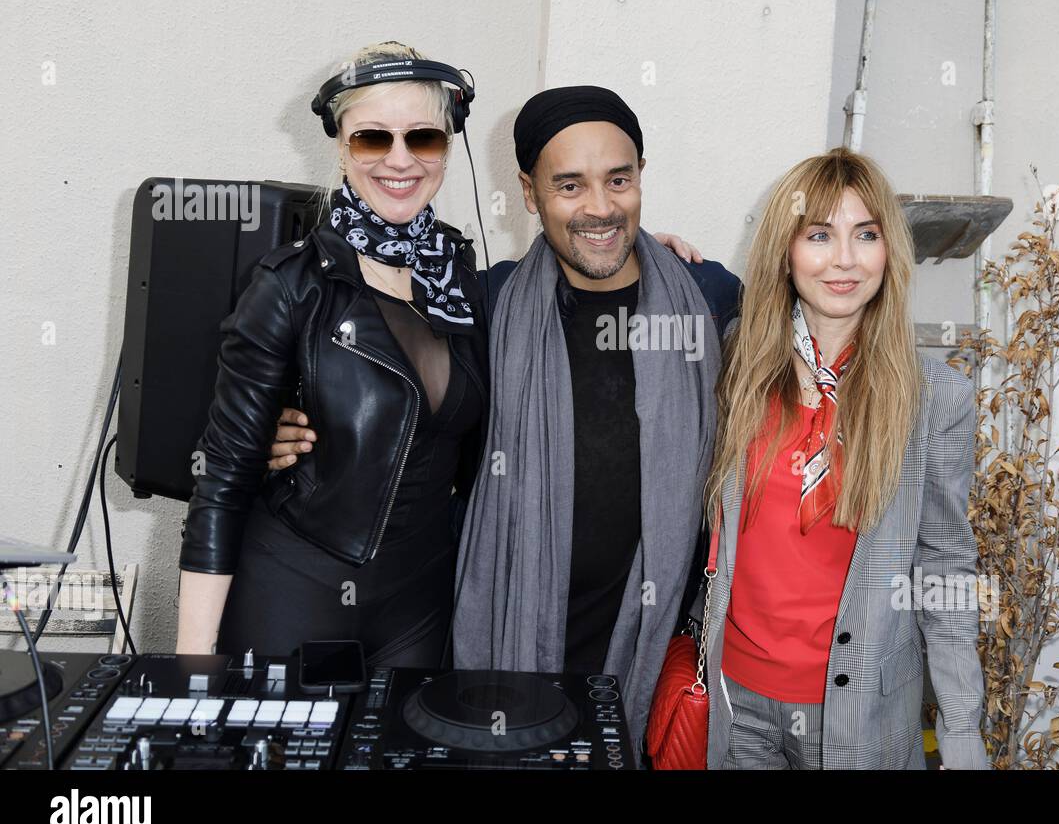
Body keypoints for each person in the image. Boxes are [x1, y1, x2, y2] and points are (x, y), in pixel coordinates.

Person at [271, 86, 741, 765]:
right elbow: (388, 404)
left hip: (648, 637)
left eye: (619, 180)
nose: (601, 208)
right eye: (570, 185)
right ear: (529, 192)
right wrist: (281, 427)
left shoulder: (707, 297)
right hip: (503, 631)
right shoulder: (481, 304)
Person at [176, 41, 490, 666]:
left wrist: (652, 252)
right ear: (340, 146)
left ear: (448, 147)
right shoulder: (290, 284)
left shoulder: (460, 275)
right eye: (373, 139)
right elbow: (222, 480)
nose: (400, 160)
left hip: (420, 606)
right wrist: (191, 664)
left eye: (422, 137)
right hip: (293, 593)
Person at [700, 147, 988, 769]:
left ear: (890, 252)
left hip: (862, 715)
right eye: (820, 235)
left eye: (866, 235)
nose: (845, 261)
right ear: (786, 249)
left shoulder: (934, 397)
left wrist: (964, 731)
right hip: (737, 702)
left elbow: (947, 565)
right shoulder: (734, 369)